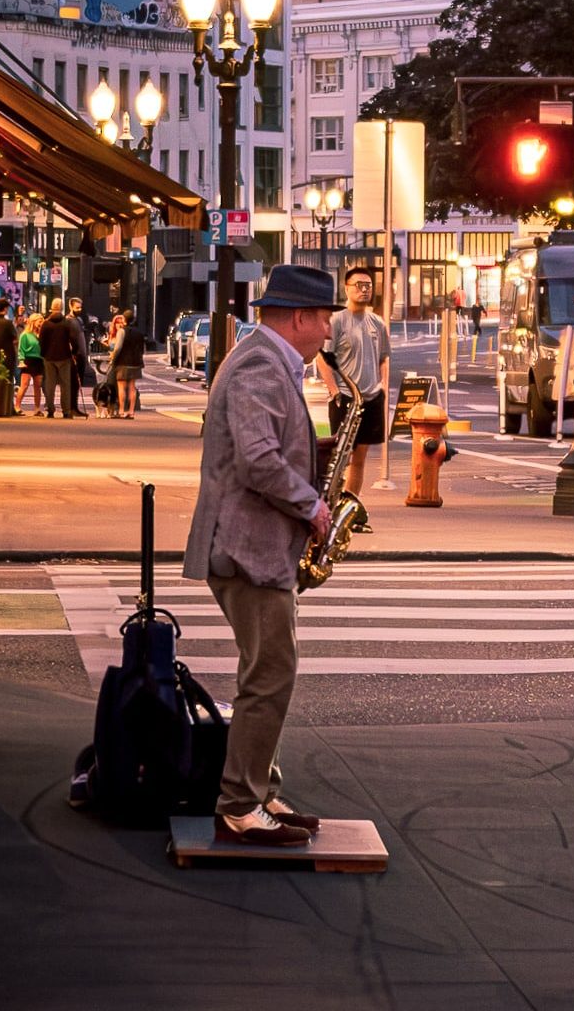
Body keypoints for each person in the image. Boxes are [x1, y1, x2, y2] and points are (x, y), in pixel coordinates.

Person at [182, 265, 340, 847]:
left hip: (257, 547)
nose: (327, 331)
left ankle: (261, 789)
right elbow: (257, 459)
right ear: (299, 316)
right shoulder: (258, 363)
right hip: (246, 549)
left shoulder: (268, 362)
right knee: (269, 673)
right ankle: (242, 804)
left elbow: (266, 447)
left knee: (270, 670)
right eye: (324, 318)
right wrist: (313, 508)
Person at [315, 265, 389, 506]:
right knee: (340, 456)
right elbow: (322, 357)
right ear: (346, 288)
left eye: (368, 285)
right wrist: (334, 390)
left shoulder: (377, 323)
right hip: (345, 397)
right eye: (358, 285)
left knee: (360, 459)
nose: (364, 290)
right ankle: (329, 505)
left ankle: (351, 507)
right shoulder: (337, 320)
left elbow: (383, 358)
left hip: (371, 398)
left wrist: (383, 387)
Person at [38, 298, 77, 419]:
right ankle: (66, 410)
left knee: (50, 384)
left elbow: (41, 341)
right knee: (65, 385)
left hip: (49, 357)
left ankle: (50, 409)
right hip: (64, 356)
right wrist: (74, 353)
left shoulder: (46, 323)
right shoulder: (66, 323)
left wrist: (44, 354)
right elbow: (73, 339)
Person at [105, 311, 147, 419]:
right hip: (136, 362)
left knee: (122, 387)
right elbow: (143, 349)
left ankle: (122, 410)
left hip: (123, 362)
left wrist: (113, 357)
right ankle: (131, 411)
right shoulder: (139, 332)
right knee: (132, 387)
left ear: (124, 319)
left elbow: (118, 347)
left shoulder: (122, 331)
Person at [67, 296, 94, 417]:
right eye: (77, 307)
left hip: (82, 355)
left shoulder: (79, 320)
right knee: (73, 383)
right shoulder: (69, 320)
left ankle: (75, 406)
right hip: (75, 356)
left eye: (80, 307)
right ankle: (71, 406)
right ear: (71, 307)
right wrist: (73, 353)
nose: (79, 309)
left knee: (77, 384)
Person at [17, 313, 43, 414]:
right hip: (28, 360)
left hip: (39, 360)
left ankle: (37, 408)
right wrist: (21, 360)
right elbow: (21, 349)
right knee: (24, 385)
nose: (41, 323)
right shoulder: (25, 335)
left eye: (42, 321)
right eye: (39, 321)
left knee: (38, 385)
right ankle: (17, 406)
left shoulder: (41, 334)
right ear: (33, 322)